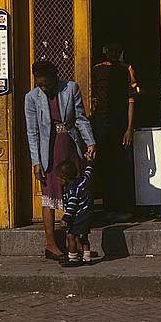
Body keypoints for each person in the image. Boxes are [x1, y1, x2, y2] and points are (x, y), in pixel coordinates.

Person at [24, 60, 95, 261]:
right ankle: (51, 244)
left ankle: (76, 243)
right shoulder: (31, 98)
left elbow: (80, 118)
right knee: (50, 195)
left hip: (70, 146)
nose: (44, 88)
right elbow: (33, 132)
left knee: (75, 193)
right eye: (40, 84)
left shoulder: (70, 89)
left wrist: (90, 142)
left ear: (56, 77)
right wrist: (36, 161)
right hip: (49, 152)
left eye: (47, 84)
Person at [91, 40, 138, 222]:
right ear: (105, 50)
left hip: (120, 123)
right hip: (101, 122)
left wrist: (129, 128)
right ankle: (108, 207)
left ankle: (124, 206)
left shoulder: (127, 70)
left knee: (121, 165)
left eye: (117, 50)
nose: (113, 53)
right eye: (111, 49)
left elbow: (131, 100)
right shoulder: (96, 70)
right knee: (105, 165)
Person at [57, 160, 95, 267]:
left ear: (65, 178)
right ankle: (87, 258)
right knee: (84, 237)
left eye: (59, 178)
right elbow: (88, 173)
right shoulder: (82, 181)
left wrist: (65, 219)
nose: (58, 181)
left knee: (70, 236)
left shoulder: (72, 190)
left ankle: (73, 257)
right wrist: (90, 162)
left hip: (78, 216)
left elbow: (71, 207)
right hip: (87, 214)